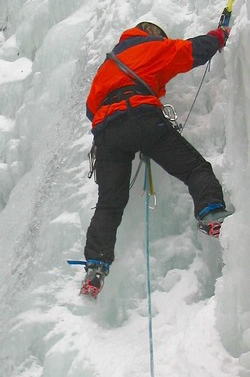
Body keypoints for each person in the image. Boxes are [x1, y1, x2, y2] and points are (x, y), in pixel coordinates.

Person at [82, 20, 232, 297]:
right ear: (151, 34)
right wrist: (219, 36)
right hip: (141, 117)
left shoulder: (107, 66)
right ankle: (210, 213)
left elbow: (91, 110)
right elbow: (191, 51)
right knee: (194, 168)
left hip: (106, 134)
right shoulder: (151, 47)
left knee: (109, 204)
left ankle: (95, 268)